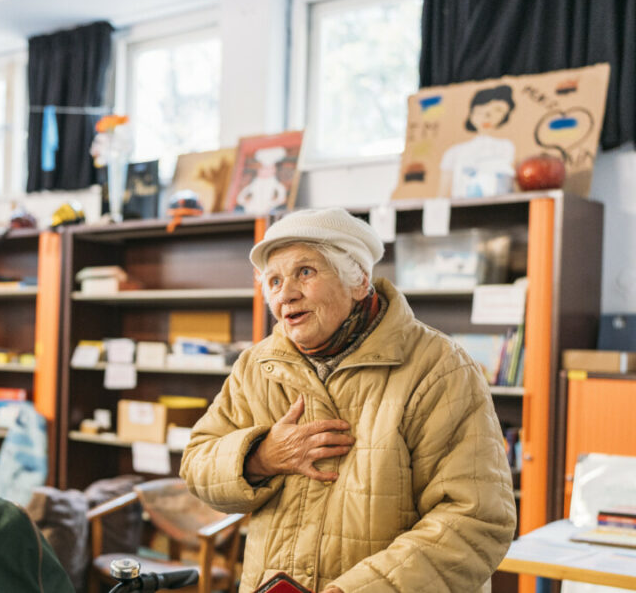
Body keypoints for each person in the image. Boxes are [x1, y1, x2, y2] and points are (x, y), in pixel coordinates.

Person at [180, 207, 516, 593]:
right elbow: (196, 465)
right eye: (273, 280)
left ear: (358, 281)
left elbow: (475, 521)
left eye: (305, 272)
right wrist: (260, 457)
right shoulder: (257, 366)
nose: (286, 293)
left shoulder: (439, 367)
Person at [440, 84, 518, 198]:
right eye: (481, 111)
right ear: (471, 114)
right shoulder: (454, 152)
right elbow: (442, 196)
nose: (487, 117)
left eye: (498, 110)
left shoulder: (507, 147)